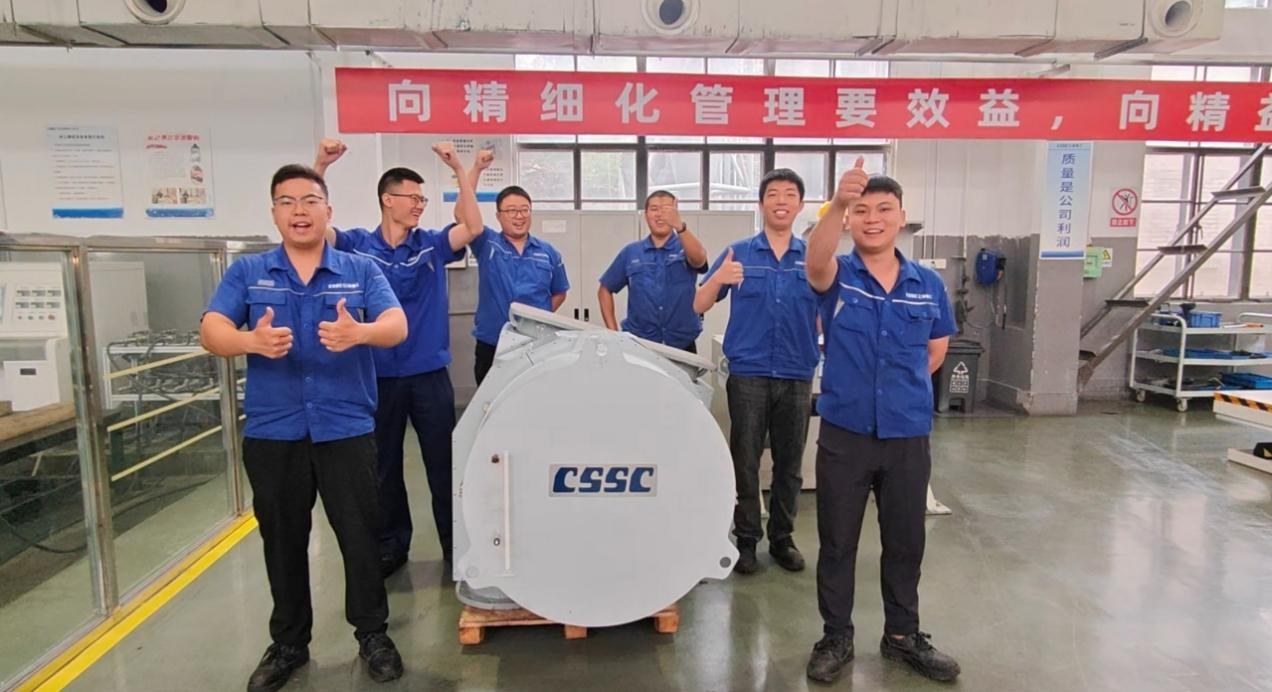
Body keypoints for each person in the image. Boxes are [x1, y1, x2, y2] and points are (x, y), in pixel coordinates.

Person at [200, 164, 408, 691]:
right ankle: (289, 643)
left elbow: (396, 325)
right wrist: (249, 342)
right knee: (283, 539)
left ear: (328, 211)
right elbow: (212, 328)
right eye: (287, 201)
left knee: (360, 536)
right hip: (275, 431)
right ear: (274, 213)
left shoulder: (360, 270)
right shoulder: (249, 272)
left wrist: (360, 332)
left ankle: (373, 634)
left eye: (310, 200)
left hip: (345, 428)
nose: (299, 210)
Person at [803, 159, 961, 684]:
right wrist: (836, 203)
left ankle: (902, 637)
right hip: (846, 432)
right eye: (862, 211)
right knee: (838, 541)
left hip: (907, 433)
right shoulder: (838, 275)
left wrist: (895, 389)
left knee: (906, 540)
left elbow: (936, 349)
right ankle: (836, 636)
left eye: (884, 209)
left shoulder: (927, 283)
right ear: (850, 220)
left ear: (901, 216)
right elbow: (815, 259)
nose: (872, 219)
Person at [313, 138, 491, 576]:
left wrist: (459, 169)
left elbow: (472, 225)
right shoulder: (357, 246)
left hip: (429, 373)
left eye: (422, 199)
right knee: (384, 466)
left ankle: (455, 545)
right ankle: (392, 545)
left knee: (444, 463)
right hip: (377, 376)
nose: (418, 206)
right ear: (387, 200)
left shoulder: (430, 245)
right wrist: (320, 166)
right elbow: (315, 226)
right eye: (412, 198)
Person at [693, 168, 820, 576]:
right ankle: (746, 539)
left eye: (790, 194)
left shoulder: (814, 259)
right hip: (749, 373)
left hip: (796, 372)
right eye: (773, 194)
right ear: (761, 203)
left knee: (790, 463)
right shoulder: (739, 253)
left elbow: (828, 313)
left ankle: (782, 538)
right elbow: (699, 304)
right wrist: (719, 280)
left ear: (800, 205)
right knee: (745, 459)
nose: (781, 201)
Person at [470, 185, 569, 384]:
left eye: (525, 210)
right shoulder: (487, 243)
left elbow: (560, 291)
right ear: (498, 216)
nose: (519, 216)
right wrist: (472, 172)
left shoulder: (548, 252)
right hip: (493, 343)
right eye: (512, 210)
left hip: (536, 343)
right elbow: (463, 216)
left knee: (535, 397)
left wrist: (537, 317)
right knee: (492, 400)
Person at [597, 190, 709, 352]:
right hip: (639, 345)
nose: (660, 215)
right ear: (646, 215)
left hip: (682, 345)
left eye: (666, 209)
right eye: (654, 209)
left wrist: (680, 227)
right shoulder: (631, 252)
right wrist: (613, 333)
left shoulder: (686, 248)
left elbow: (699, 259)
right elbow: (605, 289)